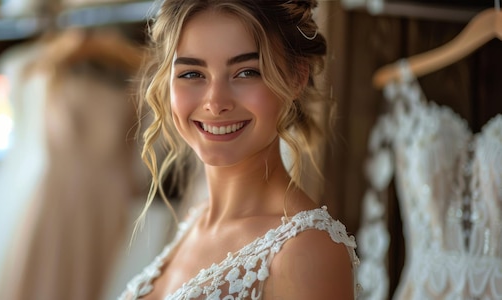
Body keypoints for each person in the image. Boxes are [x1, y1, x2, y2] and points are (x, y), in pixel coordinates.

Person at [121, 0, 360, 299]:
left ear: (296, 76)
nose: (215, 102)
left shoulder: (305, 251)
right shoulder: (196, 219)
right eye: (192, 74)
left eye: (246, 72)